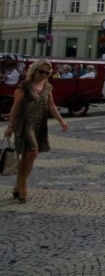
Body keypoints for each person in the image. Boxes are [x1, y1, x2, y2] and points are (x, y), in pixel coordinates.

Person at [3, 60, 68, 203]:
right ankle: (23, 185)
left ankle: (18, 185)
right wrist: (10, 126)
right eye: (42, 72)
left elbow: (51, 106)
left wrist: (61, 120)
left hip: (39, 123)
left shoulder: (47, 87)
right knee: (32, 152)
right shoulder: (24, 86)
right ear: (34, 71)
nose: (44, 75)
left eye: (47, 73)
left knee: (30, 156)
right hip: (24, 123)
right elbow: (15, 107)